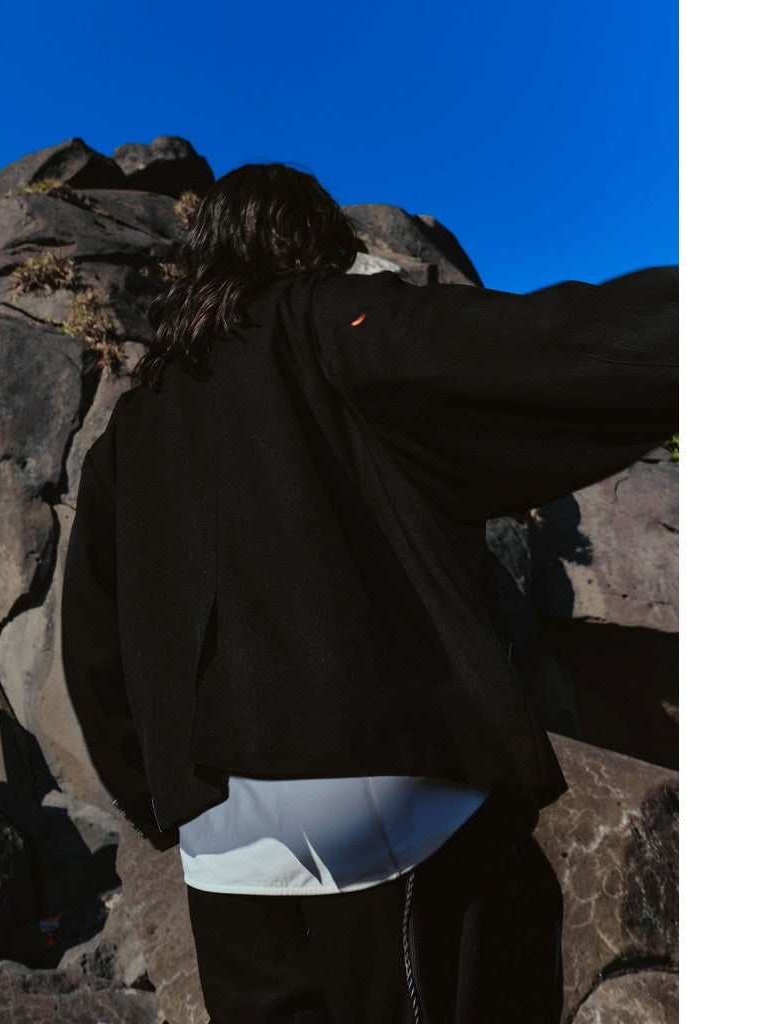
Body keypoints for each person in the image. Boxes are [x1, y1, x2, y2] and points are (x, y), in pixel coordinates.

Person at [60, 163, 678, 1023]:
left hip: (221, 840)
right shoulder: (334, 320)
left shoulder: (133, 426)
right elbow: (541, 346)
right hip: (387, 803)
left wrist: (157, 796)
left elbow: (94, 640)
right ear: (312, 242)